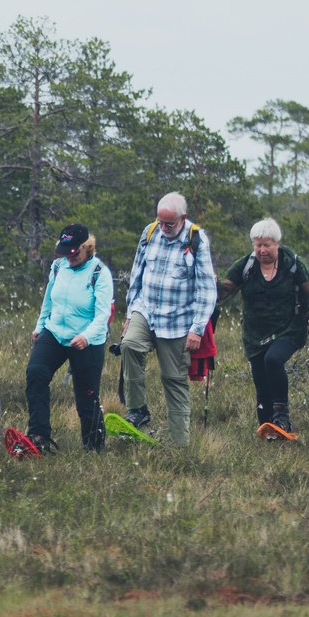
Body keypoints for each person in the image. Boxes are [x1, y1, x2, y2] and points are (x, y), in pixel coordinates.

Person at [119, 192, 217, 447]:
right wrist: (131, 312)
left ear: (183, 218)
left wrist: (197, 329)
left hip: (178, 321)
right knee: (129, 345)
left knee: (173, 379)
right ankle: (137, 410)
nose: (163, 228)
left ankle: (179, 444)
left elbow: (207, 289)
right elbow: (136, 272)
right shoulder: (150, 233)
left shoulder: (197, 240)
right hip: (146, 308)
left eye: (169, 224)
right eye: (160, 222)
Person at [217, 218, 309, 435]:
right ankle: (267, 428)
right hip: (254, 333)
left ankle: (282, 417)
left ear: (277, 244)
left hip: (289, 328)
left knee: (273, 360)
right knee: (261, 381)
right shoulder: (245, 265)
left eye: (267, 245)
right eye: (258, 245)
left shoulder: (292, 263)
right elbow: (224, 292)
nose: (262, 250)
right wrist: (209, 283)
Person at [26, 223, 113, 453]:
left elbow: (103, 315)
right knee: (36, 373)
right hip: (54, 332)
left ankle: (94, 447)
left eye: (74, 254)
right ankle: (38, 436)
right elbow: (48, 301)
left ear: (87, 248)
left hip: (87, 339)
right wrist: (39, 327)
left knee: (87, 396)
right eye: (66, 254)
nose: (69, 259)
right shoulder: (57, 267)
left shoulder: (99, 273)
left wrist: (85, 336)